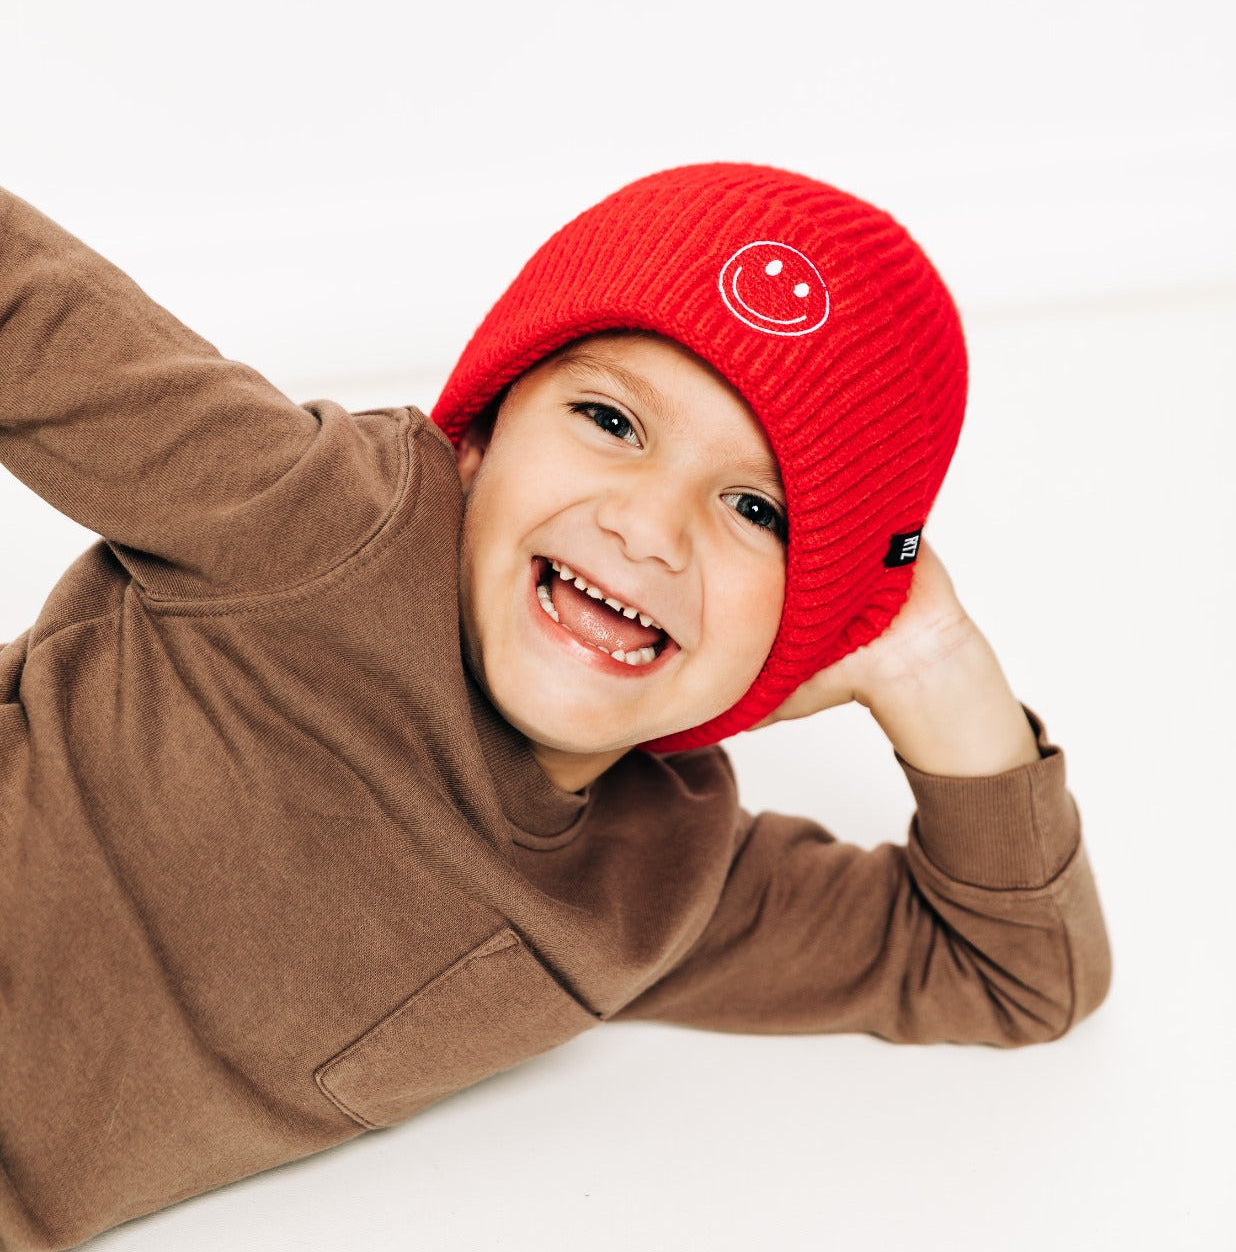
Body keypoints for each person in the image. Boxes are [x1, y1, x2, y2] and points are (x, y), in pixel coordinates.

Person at [0, 161, 1111, 1250]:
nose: (648, 527)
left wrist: (928, 657)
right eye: (612, 422)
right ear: (476, 440)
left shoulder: (659, 883)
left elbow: (1019, 971)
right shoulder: (322, 522)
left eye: (755, 509)